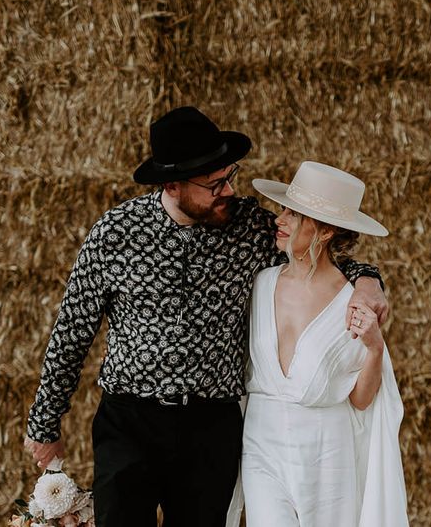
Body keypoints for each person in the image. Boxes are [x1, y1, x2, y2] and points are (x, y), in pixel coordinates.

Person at [23, 107, 390, 527]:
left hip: (210, 427)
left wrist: (368, 280)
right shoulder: (115, 234)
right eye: (215, 184)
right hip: (129, 424)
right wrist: (44, 425)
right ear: (173, 185)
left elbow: (319, 251)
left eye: (230, 176)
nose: (229, 190)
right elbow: (72, 333)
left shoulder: (251, 226)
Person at [232, 161, 408, 527]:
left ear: (325, 230)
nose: (278, 219)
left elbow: (361, 400)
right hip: (262, 447)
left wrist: (375, 348)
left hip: (327, 454)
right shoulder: (259, 284)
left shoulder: (352, 303)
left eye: (292, 214)